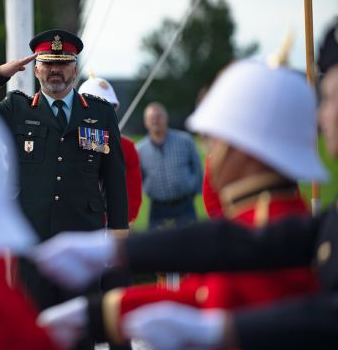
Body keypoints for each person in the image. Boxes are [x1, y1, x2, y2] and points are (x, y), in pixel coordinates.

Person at [31, 24, 338, 349]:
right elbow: (218, 251)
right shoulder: (274, 219)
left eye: (214, 138)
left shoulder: (269, 219)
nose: (210, 151)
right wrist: (100, 311)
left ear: (242, 148)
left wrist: (219, 330)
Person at [0, 30, 129, 313]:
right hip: (33, 240)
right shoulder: (18, 109)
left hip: (84, 235)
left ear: (75, 69)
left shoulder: (100, 113)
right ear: (36, 70)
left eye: (63, 63)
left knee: (82, 323)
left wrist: (118, 235)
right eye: (47, 63)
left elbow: (114, 178)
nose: (55, 70)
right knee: (36, 322)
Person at [78, 75, 142, 224]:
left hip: (110, 224)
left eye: (109, 106)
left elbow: (132, 190)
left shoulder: (126, 146)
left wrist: (125, 220)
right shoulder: (67, 138)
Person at [137, 102, 202, 228]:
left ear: (166, 118)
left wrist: (194, 190)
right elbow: (138, 178)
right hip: (157, 208)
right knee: (159, 246)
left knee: (190, 245)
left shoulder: (185, 140)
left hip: (185, 205)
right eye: (151, 118)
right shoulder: (140, 149)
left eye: (158, 116)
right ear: (146, 122)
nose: (155, 120)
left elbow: (197, 168)